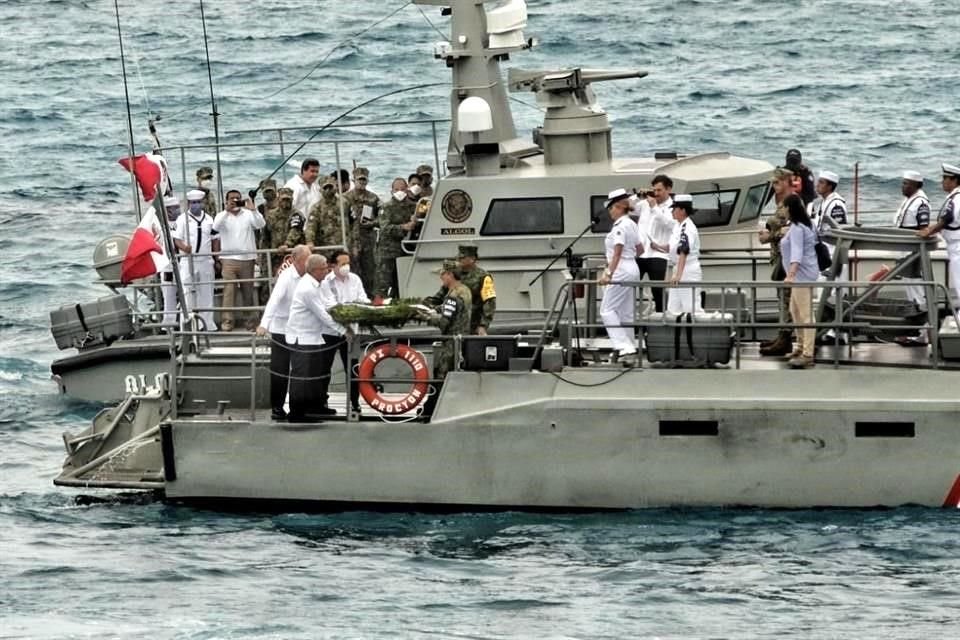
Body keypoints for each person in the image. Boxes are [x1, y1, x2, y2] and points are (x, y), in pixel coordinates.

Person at [256, 245, 311, 421]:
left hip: (301, 327)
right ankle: (277, 407)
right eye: (306, 260)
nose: (309, 263)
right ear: (295, 260)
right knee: (280, 370)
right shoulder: (286, 277)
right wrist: (264, 324)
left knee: (301, 369)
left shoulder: (310, 275)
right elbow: (274, 301)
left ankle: (301, 407)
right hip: (281, 328)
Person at [286, 254, 336, 421]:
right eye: (324, 268)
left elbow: (328, 304)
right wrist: (344, 330)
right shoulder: (307, 288)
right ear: (315, 270)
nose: (327, 270)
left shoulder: (319, 284)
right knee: (302, 376)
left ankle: (315, 406)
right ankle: (297, 412)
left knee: (314, 374)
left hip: (314, 336)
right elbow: (323, 314)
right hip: (302, 337)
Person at [319, 250, 370, 414]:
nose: (346, 267)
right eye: (343, 264)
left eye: (348, 263)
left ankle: (355, 403)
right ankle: (322, 402)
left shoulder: (355, 279)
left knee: (353, 368)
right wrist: (347, 310)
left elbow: (363, 299)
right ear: (333, 265)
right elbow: (331, 306)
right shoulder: (326, 282)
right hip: (330, 331)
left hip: (352, 332)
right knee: (324, 369)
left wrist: (366, 307)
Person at [213, 189, 266, 332]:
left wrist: (254, 210)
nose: (235, 201)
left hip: (247, 259)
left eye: (238, 198)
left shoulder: (248, 214)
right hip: (228, 260)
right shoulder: (221, 216)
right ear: (226, 200)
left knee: (247, 291)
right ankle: (227, 321)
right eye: (232, 199)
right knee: (229, 291)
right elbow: (215, 226)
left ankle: (250, 320)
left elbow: (261, 224)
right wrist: (226, 211)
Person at [598, 188, 641, 361]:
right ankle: (629, 346)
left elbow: (617, 252)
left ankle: (623, 346)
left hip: (621, 269)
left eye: (611, 208)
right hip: (632, 267)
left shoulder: (620, 227)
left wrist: (608, 273)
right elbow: (640, 249)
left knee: (607, 310)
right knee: (625, 312)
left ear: (619, 207)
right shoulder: (631, 223)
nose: (610, 212)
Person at [758, 167, 795, 356]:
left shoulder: (792, 203)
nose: (775, 186)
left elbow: (791, 230)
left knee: (787, 299)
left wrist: (769, 236)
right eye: (773, 183)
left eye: (778, 182)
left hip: (788, 258)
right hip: (780, 256)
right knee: (782, 298)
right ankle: (782, 336)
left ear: (788, 182)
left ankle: (785, 339)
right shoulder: (782, 203)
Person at [780, 194, 820, 369]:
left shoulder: (797, 227)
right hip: (803, 273)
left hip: (801, 275)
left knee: (805, 314)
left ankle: (808, 354)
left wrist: (790, 274)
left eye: (784, 207)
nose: (782, 210)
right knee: (795, 311)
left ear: (790, 208)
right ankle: (801, 346)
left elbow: (797, 252)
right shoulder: (805, 224)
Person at [172, 189, 219, 330]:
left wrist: (216, 258)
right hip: (188, 260)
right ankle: (187, 325)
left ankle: (207, 324)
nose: (196, 205)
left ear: (203, 203)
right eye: (193, 203)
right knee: (187, 294)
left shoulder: (209, 219)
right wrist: (184, 247)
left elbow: (215, 239)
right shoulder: (182, 219)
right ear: (188, 204)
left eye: (198, 202)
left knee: (207, 293)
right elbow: (177, 239)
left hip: (205, 260)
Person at [812, 170, 849, 343]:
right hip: (824, 251)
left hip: (833, 251)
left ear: (829, 186)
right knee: (823, 292)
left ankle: (837, 331)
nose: (817, 185)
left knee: (834, 291)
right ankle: (828, 328)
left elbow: (838, 231)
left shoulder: (836, 205)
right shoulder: (823, 203)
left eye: (821, 183)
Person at [418, 259, 472, 380]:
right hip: (463, 338)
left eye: (443, 274)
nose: (441, 277)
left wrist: (425, 317)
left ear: (450, 275)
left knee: (442, 374)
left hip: (452, 343)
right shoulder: (464, 290)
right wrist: (435, 309)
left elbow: (444, 322)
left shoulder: (452, 296)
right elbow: (452, 309)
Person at [918, 163, 960, 309]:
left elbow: (948, 217)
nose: (943, 182)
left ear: (954, 180)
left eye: (945, 178)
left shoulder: (957, 198)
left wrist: (929, 231)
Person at [655, 194, 703, 315]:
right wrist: (658, 246)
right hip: (679, 268)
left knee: (690, 308)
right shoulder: (678, 225)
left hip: (687, 270)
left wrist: (678, 275)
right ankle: (676, 333)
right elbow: (673, 247)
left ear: (682, 210)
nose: (672, 211)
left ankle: (696, 333)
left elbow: (683, 250)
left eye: (675, 208)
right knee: (673, 308)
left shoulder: (687, 227)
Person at [633, 174, 675, 313]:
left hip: (658, 254)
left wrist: (655, 208)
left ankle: (660, 317)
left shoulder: (672, 207)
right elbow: (630, 207)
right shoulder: (645, 203)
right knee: (630, 286)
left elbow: (670, 224)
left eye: (659, 190)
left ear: (668, 189)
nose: (656, 193)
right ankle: (631, 317)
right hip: (640, 253)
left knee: (657, 289)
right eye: (654, 190)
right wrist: (638, 195)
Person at [893, 170, 931, 311]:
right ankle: (915, 318)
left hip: (913, 248)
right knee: (908, 282)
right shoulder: (908, 200)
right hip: (904, 247)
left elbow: (923, 229)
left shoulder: (921, 203)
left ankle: (922, 320)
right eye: (903, 183)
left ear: (916, 185)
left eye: (906, 183)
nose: (902, 186)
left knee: (915, 283)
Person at [374, 177, 416, 297]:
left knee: (401, 283)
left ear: (407, 189)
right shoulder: (386, 207)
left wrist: (415, 221)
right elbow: (385, 228)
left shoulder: (413, 206)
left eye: (402, 189)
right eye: (396, 189)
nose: (400, 192)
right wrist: (403, 227)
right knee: (382, 284)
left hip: (405, 251)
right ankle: (378, 307)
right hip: (387, 252)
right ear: (391, 191)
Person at [344, 167, 381, 290]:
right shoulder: (345, 198)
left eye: (364, 180)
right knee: (352, 269)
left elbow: (382, 218)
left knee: (370, 270)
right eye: (359, 179)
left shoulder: (373, 198)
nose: (362, 182)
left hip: (368, 240)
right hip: (351, 240)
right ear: (353, 180)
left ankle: (370, 296)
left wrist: (372, 223)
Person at [456, 244, 496, 335]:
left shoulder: (483, 277)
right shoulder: (455, 274)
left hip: (473, 326)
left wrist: (483, 325)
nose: (459, 259)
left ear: (473, 259)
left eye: (463, 257)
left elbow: (489, 302)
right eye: (459, 256)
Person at [259, 181, 292, 276]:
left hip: (286, 248)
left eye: (270, 191)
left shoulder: (286, 207)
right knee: (267, 276)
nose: (268, 194)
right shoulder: (261, 208)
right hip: (270, 248)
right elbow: (262, 234)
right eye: (266, 191)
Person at [159, 195, 182, 327]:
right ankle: (168, 324)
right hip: (168, 266)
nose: (177, 211)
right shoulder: (161, 226)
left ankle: (185, 322)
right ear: (167, 210)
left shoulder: (183, 223)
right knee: (169, 296)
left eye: (178, 208)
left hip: (182, 263)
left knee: (187, 294)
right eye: (174, 208)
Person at [306, 176, 345, 249]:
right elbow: (310, 226)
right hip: (324, 247)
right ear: (320, 190)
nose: (328, 190)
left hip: (342, 245)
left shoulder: (344, 203)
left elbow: (353, 221)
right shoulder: (316, 207)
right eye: (325, 188)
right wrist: (309, 241)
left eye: (330, 187)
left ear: (335, 188)